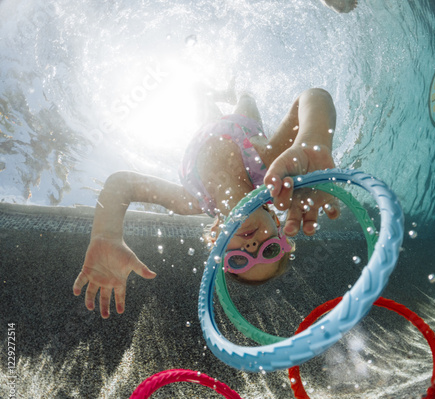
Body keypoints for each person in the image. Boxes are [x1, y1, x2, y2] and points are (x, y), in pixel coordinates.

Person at [73, 85, 340, 318]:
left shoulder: (190, 201)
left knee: (200, 102)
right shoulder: (268, 165)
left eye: (239, 259)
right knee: (246, 100)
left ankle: (202, 89)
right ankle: (240, 90)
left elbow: (123, 184)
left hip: (204, 132)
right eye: (269, 250)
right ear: (275, 220)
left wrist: (106, 233)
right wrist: (313, 140)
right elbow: (313, 96)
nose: (252, 246)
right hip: (241, 124)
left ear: (216, 240)